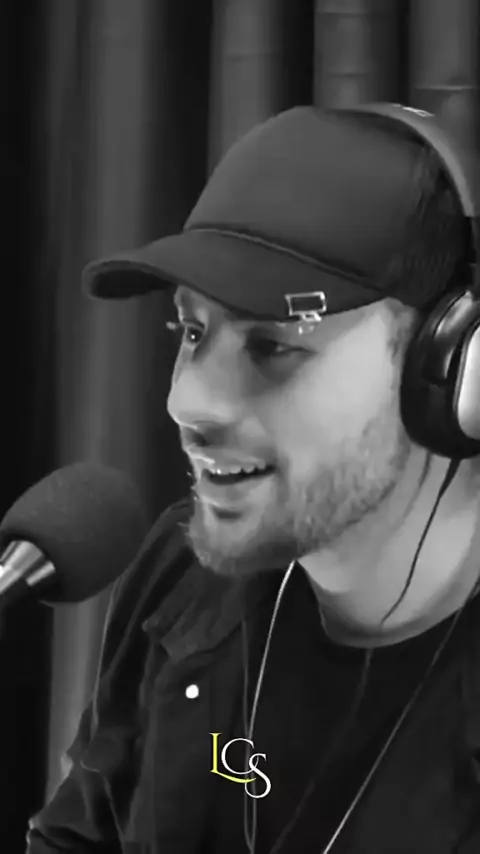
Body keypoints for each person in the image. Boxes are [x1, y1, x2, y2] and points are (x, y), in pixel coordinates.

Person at [26, 104, 480, 854]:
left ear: (453, 368)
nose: (187, 401)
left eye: (274, 344)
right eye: (192, 331)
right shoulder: (180, 576)